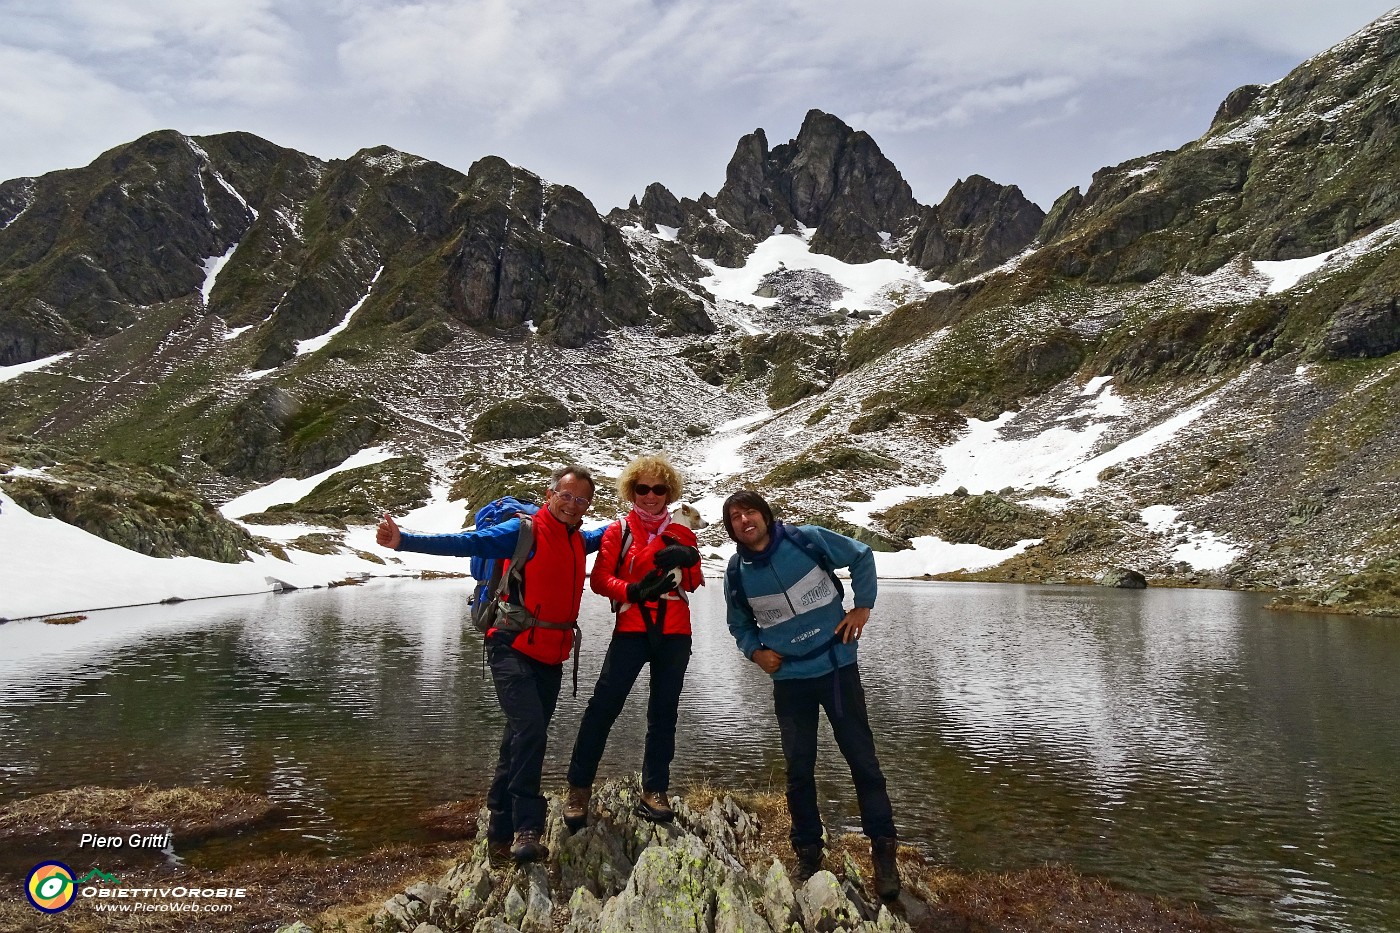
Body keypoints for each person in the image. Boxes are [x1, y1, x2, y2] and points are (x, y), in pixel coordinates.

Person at [376, 464, 605, 865]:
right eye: (565, 496)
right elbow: (467, 542)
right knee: (531, 731)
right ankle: (527, 827)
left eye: (581, 499)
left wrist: (650, 518)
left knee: (517, 739)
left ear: (587, 505)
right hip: (510, 646)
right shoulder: (523, 531)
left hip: (551, 655)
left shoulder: (577, 540)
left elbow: (609, 534)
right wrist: (404, 540)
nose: (572, 504)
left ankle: (497, 833)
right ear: (550, 496)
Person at [721, 489, 901, 900]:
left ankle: (884, 853)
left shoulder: (807, 539)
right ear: (731, 528)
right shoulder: (736, 572)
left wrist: (863, 605)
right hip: (790, 680)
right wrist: (756, 653)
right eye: (735, 517)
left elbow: (861, 555)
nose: (744, 521)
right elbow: (740, 625)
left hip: (837, 668)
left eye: (750, 512)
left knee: (863, 761)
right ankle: (807, 853)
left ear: (765, 515)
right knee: (799, 768)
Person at [564, 453, 703, 828]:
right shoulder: (618, 531)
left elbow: (691, 582)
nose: (651, 495)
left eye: (659, 489)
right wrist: (635, 590)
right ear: (632, 491)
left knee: (664, 712)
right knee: (603, 707)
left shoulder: (681, 531)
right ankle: (578, 788)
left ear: (669, 492)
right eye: (642, 488)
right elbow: (599, 580)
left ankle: (655, 789)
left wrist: (689, 557)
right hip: (632, 628)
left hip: (675, 632)